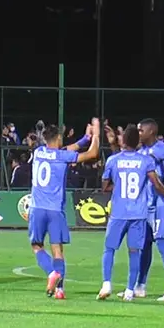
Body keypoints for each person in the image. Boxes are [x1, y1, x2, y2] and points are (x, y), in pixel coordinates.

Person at [28, 118, 102, 299]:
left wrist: (85, 138)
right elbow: (92, 153)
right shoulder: (62, 157)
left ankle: (52, 275)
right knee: (58, 250)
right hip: (55, 210)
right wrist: (96, 135)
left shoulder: (38, 152)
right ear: (59, 138)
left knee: (37, 246)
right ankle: (59, 288)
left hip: (37, 208)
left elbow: (66, 149)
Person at [99, 125, 164, 301]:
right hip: (138, 214)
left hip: (118, 213)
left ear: (123, 140)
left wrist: (118, 186)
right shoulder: (146, 161)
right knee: (134, 252)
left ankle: (106, 284)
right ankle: (130, 290)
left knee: (109, 249)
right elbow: (156, 184)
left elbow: (105, 186)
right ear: (137, 142)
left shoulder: (113, 160)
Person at [135, 119, 164, 301]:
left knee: (162, 244)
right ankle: (140, 286)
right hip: (146, 205)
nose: (139, 133)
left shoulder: (162, 149)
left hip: (161, 203)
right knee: (144, 245)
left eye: (141, 130)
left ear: (151, 132)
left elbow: (158, 177)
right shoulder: (142, 151)